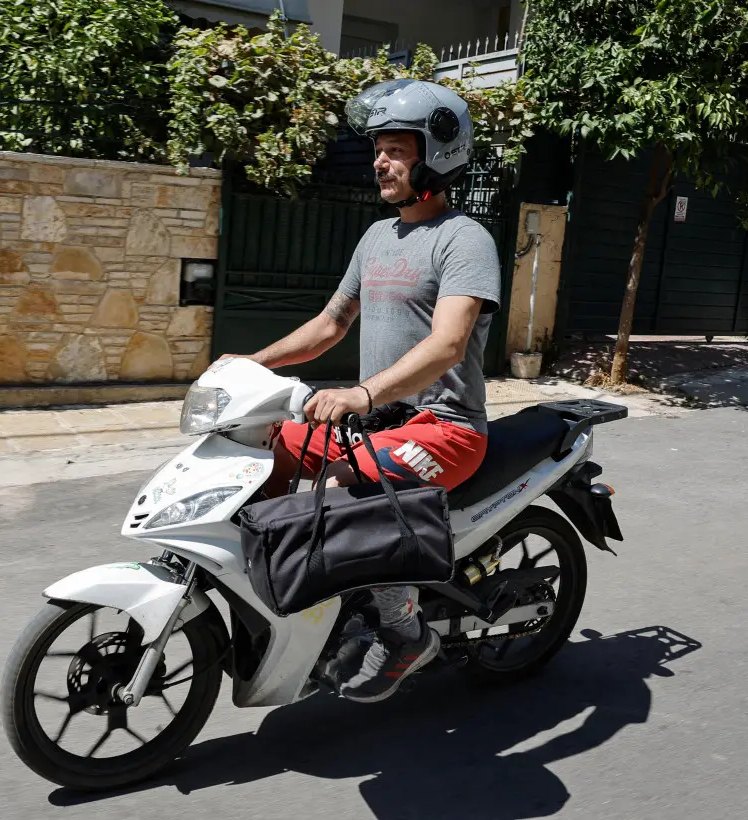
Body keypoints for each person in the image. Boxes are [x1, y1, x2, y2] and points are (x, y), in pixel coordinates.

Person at [222, 79, 502, 702]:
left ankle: (405, 634)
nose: (381, 161)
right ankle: (287, 589)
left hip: (444, 428)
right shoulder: (376, 238)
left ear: (437, 155)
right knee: (259, 448)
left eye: (398, 149)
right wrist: (249, 364)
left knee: (347, 497)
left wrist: (362, 394)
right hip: (376, 424)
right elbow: (330, 325)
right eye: (379, 149)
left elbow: (448, 345)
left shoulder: (466, 239)